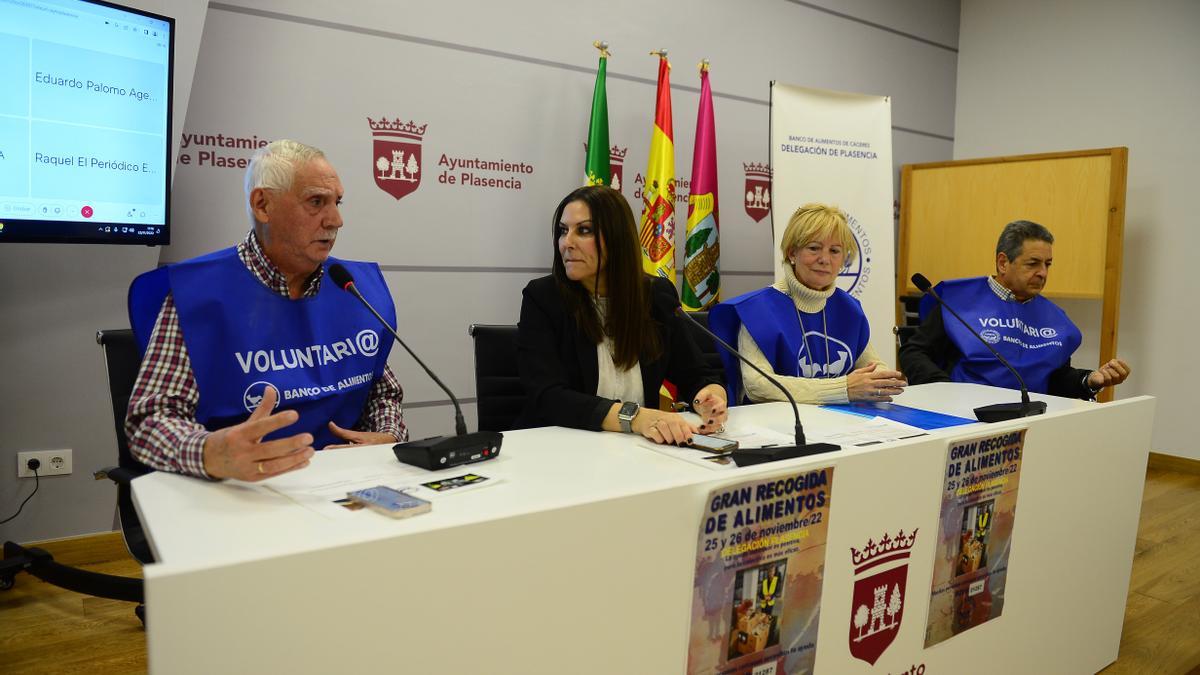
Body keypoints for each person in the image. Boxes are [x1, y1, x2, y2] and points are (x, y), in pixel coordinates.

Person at [125, 140, 407, 481]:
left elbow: (383, 392)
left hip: (343, 483)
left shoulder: (352, 288)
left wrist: (386, 437)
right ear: (263, 205)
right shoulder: (199, 295)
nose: (336, 220)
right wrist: (210, 451)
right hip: (240, 489)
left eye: (337, 202)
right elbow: (150, 420)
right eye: (316, 202)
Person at [515, 185, 727, 445]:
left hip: (637, 450)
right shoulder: (544, 298)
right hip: (560, 448)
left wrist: (709, 397)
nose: (566, 243)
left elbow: (695, 373)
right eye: (563, 231)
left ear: (617, 238)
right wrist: (636, 418)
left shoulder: (655, 295)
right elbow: (547, 396)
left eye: (583, 230)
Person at [898, 219, 1131, 398]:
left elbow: (1055, 379)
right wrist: (945, 392)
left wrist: (1090, 380)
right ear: (1003, 263)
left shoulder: (1055, 320)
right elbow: (914, 352)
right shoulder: (958, 302)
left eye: (1047, 264)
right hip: (962, 416)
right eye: (1033, 263)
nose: (1043, 273)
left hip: (1030, 420)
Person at [709, 203, 905, 404]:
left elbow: (872, 363)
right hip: (777, 426)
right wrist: (843, 389)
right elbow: (758, 386)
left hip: (841, 425)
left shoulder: (849, 309)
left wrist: (881, 379)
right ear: (792, 253)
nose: (825, 259)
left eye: (835, 251)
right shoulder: (756, 310)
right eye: (814, 248)